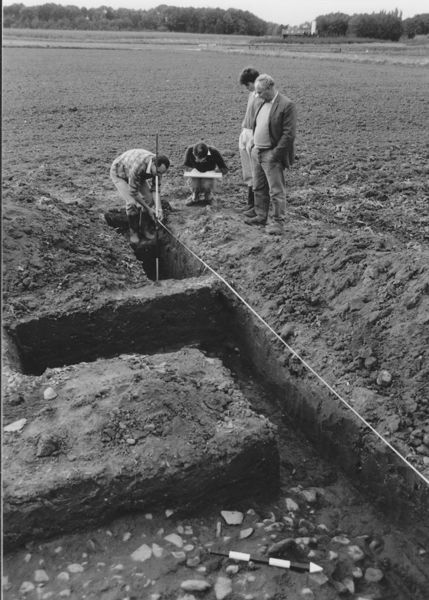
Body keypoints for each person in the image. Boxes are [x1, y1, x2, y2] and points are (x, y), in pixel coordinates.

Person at [244, 74, 296, 235]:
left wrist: (275, 154)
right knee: (259, 186)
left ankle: (278, 222)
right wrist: (253, 143)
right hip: (257, 151)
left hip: (271, 154)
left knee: (276, 191)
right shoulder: (261, 102)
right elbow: (257, 124)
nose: (257, 95)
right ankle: (261, 216)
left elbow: (288, 134)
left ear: (270, 88)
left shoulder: (286, 105)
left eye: (260, 92)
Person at [110, 148, 170, 245]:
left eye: (161, 173)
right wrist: (149, 209)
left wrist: (159, 209)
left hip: (137, 176)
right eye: (158, 172)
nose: (159, 175)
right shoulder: (139, 166)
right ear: (153, 164)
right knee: (131, 203)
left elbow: (156, 189)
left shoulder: (158, 169)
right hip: (119, 172)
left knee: (149, 199)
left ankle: (144, 228)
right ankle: (133, 232)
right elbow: (133, 192)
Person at [238, 67, 262, 212]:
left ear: (254, 82)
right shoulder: (251, 95)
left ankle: (255, 204)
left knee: (255, 170)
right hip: (245, 132)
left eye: (247, 85)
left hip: (254, 134)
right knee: (248, 171)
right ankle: (250, 203)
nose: (247, 88)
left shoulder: (261, 97)